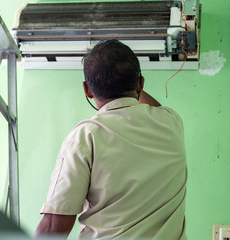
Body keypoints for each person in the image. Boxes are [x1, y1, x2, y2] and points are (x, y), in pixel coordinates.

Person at [35, 39, 187, 239]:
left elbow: (54, 226)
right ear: (140, 83)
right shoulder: (170, 122)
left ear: (87, 90)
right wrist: (131, 83)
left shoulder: (85, 137)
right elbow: (151, 106)